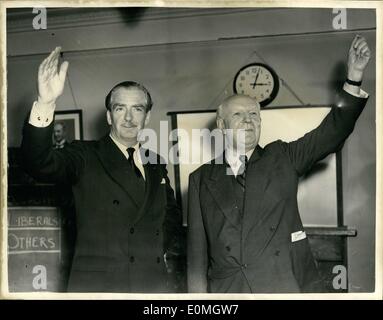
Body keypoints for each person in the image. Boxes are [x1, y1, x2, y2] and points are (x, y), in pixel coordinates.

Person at [187, 35, 371, 293]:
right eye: (238, 115)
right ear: (221, 125)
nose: (248, 121)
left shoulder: (282, 157)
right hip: (229, 291)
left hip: (281, 285)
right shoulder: (201, 178)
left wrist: (353, 78)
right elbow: (196, 257)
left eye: (254, 114)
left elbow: (332, 132)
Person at [21, 47, 183, 293]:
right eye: (120, 108)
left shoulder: (155, 162)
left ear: (147, 117)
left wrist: (156, 249)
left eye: (137, 109)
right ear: (109, 116)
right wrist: (46, 102)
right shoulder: (85, 155)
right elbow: (38, 163)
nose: (129, 118)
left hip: (151, 282)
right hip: (100, 287)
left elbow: (170, 213)